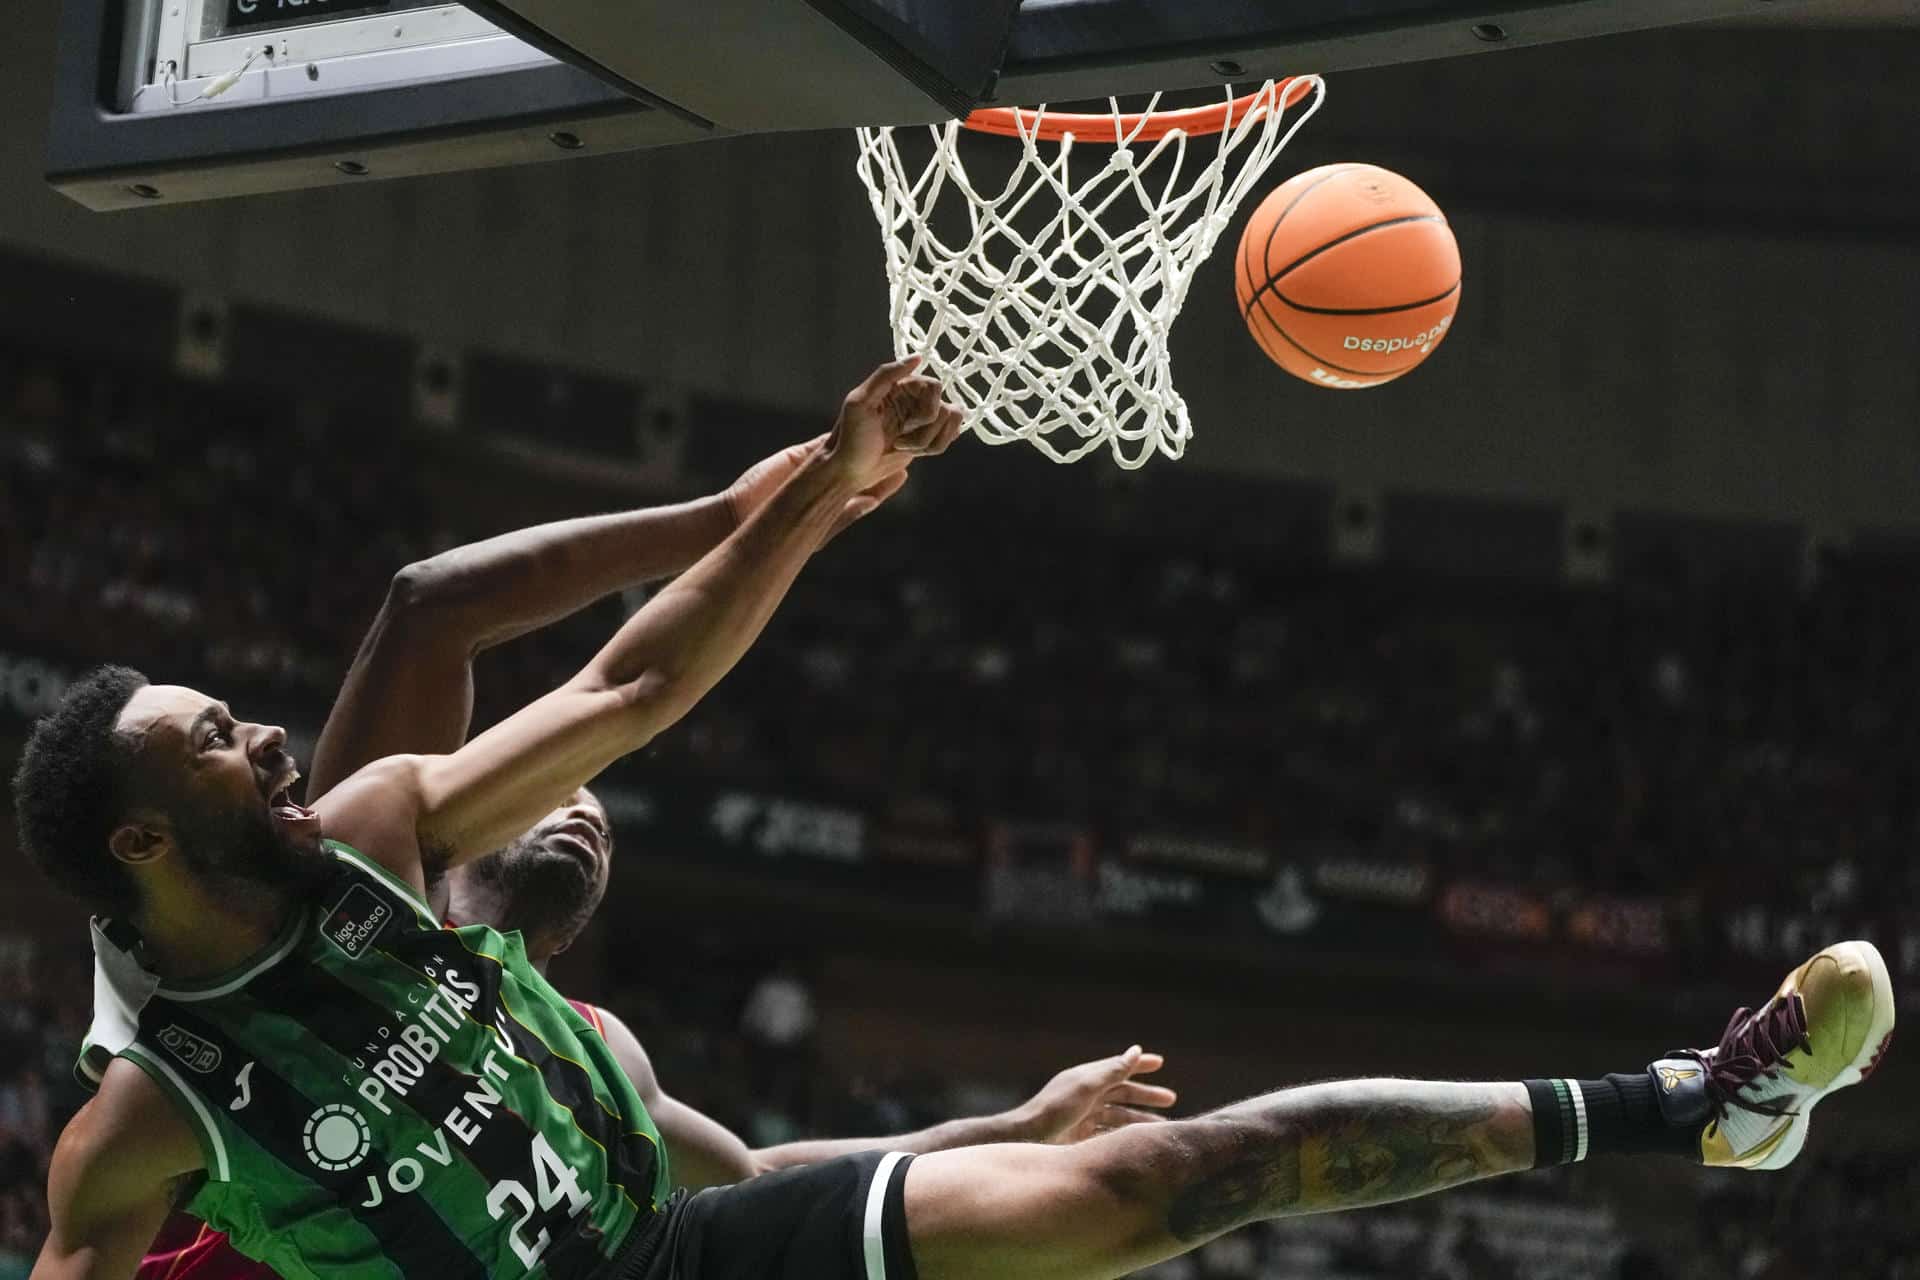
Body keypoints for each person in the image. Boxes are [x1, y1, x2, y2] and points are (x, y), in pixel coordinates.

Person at [12, 360, 1898, 1280]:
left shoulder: (390, 850)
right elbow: (431, 611)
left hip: (684, 1265)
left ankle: (1690, 1102)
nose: (265, 733)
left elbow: (630, 689)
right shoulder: (150, 1117)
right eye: (214, 741)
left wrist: (810, 498)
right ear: (143, 844)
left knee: (1170, 1178)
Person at [115, 373, 1176, 1280]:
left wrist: (1017, 1129)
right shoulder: (359, 880)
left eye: (606, 823)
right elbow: (432, 604)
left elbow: (755, 1180)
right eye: (568, 788)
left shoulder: (580, 1047)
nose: (589, 812)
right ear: (486, 798)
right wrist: (734, 515)